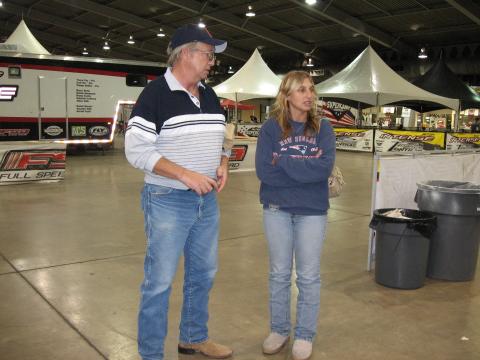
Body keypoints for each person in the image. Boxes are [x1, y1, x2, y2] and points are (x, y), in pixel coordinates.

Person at [125, 24, 232, 360]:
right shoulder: (155, 95)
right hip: (167, 200)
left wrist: (224, 160)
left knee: (204, 273)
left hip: (207, 200)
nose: (212, 61)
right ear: (185, 53)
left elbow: (225, 134)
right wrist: (185, 174)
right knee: (159, 282)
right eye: (208, 53)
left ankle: (193, 337)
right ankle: (151, 354)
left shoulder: (210, 95)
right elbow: (136, 151)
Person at [255, 71, 335, 360]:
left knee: (309, 276)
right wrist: (304, 166)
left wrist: (284, 161)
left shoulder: (323, 129)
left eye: (311, 89)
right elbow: (264, 171)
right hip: (276, 209)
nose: (309, 94)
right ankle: (279, 329)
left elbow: (324, 169)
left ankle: (304, 334)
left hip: (312, 212)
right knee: (278, 274)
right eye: (302, 89)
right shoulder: (270, 130)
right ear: (286, 95)